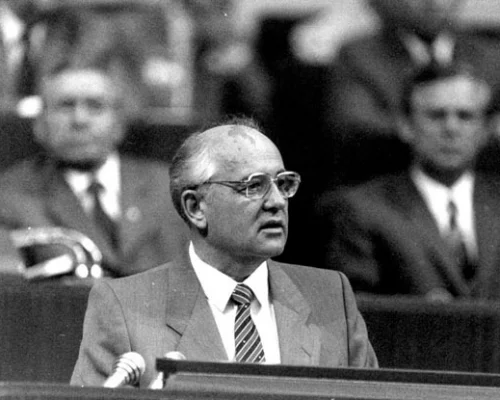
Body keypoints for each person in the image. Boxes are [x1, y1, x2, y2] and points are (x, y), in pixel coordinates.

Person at [70, 117, 378, 387]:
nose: (277, 202)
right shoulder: (124, 306)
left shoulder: (331, 296)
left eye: (283, 184)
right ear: (196, 208)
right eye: (253, 186)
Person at [317, 62, 500, 299]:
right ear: (406, 125)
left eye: (465, 116)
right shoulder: (361, 209)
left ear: (486, 129)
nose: (451, 128)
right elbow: (354, 306)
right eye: (436, 115)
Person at [0, 58, 189, 277]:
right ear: (39, 124)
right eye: (65, 106)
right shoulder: (10, 195)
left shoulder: (172, 187)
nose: (80, 120)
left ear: (119, 122)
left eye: (95, 106)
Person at [320, 0, 500, 187]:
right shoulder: (359, 55)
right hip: (389, 185)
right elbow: (359, 126)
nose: (433, 3)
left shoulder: (493, 57)